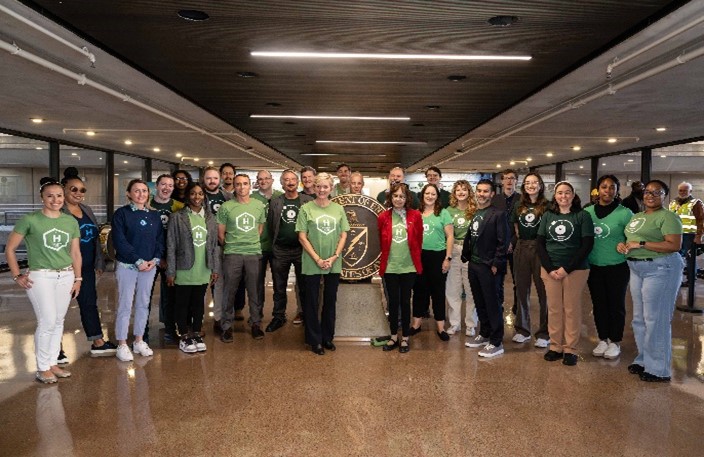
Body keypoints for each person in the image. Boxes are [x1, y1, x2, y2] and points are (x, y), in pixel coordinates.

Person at [5, 177, 81, 383]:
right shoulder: (30, 220)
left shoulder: (70, 221)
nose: (55, 200)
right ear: (42, 198)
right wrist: (16, 275)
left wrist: (78, 278)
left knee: (58, 321)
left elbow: (75, 253)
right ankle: (41, 367)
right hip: (41, 277)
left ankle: (51, 363)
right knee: (47, 320)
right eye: (50, 196)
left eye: (58, 196)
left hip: (65, 275)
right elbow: (10, 249)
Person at [617, 179, 683, 382]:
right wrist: (624, 245)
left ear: (665, 195)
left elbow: (674, 245)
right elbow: (631, 239)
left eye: (657, 192)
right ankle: (644, 358)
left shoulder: (669, 217)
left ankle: (659, 369)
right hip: (637, 268)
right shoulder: (638, 216)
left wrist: (642, 243)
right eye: (647, 192)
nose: (650, 196)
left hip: (661, 268)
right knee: (639, 319)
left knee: (656, 318)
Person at [61, 168, 117, 355]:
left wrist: (99, 262)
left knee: (89, 303)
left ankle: (97, 341)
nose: (78, 193)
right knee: (58, 309)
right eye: (73, 189)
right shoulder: (59, 213)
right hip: (64, 268)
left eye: (82, 190)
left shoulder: (87, 210)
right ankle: (56, 348)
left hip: (85, 268)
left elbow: (95, 238)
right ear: (64, 189)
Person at [538, 181, 594, 366]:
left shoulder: (582, 216)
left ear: (573, 195)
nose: (563, 196)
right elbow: (540, 243)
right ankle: (555, 346)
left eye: (567, 192)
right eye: (560, 193)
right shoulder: (547, 216)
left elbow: (586, 245)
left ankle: (570, 348)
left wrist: (565, 269)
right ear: (555, 196)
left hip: (575, 270)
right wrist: (549, 268)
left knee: (571, 308)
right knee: (553, 308)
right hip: (550, 270)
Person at [296, 172, 350, 355]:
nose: (321, 190)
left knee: (330, 301)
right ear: (314, 187)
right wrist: (317, 259)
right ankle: (314, 339)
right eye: (318, 186)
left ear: (331, 188)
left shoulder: (338, 209)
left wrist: (334, 256)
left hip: (333, 262)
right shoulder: (306, 209)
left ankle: (327, 337)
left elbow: (344, 234)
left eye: (325, 186)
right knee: (311, 301)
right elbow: (302, 236)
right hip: (312, 262)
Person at [111, 179, 164, 362]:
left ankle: (139, 340)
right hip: (128, 266)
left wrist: (154, 259)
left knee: (143, 303)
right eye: (136, 191)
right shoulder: (121, 214)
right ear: (128, 194)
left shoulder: (154, 215)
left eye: (144, 191)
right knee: (125, 305)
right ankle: (122, 343)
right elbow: (120, 241)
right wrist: (137, 260)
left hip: (149, 267)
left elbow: (159, 240)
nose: (141, 194)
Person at [166, 182, 220, 353]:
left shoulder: (210, 218)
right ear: (187, 196)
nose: (197, 197)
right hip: (184, 268)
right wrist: (171, 271)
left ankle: (196, 332)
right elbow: (171, 245)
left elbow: (213, 246)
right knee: (181, 303)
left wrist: (215, 269)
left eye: (200, 194)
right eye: (193, 194)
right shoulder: (177, 217)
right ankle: (183, 334)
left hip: (203, 268)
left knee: (198, 303)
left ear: (204, 196)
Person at [585, 175, 632, 360]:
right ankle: (602, 338)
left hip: (617, 266)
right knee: (598, 304)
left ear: (617, 190)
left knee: (616, 304)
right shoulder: (587, 212)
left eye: (612, 187)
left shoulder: (625, 213)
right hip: (594, 265)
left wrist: (626, 245)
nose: (608, 191)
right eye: (604, 187)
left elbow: (634, 236)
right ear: (598, 190)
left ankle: (615, 341)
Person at [217, 174, 267, 342]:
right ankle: (226, 326)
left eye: (245, 184)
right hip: (233, 253)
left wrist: (248, 243)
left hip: (253, 253)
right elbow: (221, 234)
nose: (241, 187)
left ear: (250, 186)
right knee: (229, 292)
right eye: (238, 184)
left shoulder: (259, 206)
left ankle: (255, 324)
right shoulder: (226, 207)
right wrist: (234, 245)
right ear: (235, 186)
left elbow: (259, 229)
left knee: (254, 291)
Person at [463, 179, 509, 358]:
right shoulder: (477, 212)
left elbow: (503, 241)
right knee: (479, 302)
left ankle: (496, 341)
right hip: (474, 264)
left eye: (485, 191)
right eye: (479, 191)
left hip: (489, 266)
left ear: (491, 194)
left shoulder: (498, 214)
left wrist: (497, 264)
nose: (481, 194)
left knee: (492, 303)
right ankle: (485, 333)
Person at [378, 182, 422, 353]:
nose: (398, 199)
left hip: (408, 267)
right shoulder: (383, 217)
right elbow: (381, 240)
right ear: (391, 198)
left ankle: (405, 338)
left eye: (402, 196)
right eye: (395, 196)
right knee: (393, 303)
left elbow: (419, 240)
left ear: (407, 198)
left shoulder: (415, 216)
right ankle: (393, 336)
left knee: (405, 302)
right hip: (390, 267)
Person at [266, 170, 313, 332]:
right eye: (286, 180)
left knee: (304, 286)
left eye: (293, 179)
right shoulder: (275, 202)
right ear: (282, 183)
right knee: (279, 287)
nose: (290, 182)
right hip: (280, 250)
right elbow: (271, 226)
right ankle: (278, 316)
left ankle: (307, 316)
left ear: (298, 182)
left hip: (302, 250)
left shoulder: (307, 201)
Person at [409, 183, 453, 341]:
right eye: (427, 193)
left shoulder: (443, 213)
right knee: (419, 291)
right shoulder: (415, 213)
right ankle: (416, 324)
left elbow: (450, 236)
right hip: (419, 256)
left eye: (433, 194)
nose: (430, 196)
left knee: (438, 292)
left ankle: (441, 327)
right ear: (422, 195)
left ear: (437, 197)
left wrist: (448, 257)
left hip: (438, 256)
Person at [511, 173, 550, 348]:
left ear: (540, 185)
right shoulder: (518, 205)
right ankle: (522, 330)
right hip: (522, 247)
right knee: (521, 290)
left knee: (544, 292)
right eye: (527, 183)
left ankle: (545, 332)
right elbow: (516, 228)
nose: (531, 185)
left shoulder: (548, 206)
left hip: (541, 248)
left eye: (534, 182)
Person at [147, 173, 183, 344]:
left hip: (171, 258)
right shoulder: (146, 205)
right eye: (163, 184)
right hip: (149, 258)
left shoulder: (179, 207)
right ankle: (143, 330)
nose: (166, 188)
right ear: (157, 186)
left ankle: (170, 328)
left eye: (170, 185)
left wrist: (169, 257)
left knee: (171, 295)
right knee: (145, 295)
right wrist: (156, 256)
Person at [444, 180, 477, 336]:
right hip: (454, 250)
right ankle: (455, 323)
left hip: (471, 250)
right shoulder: (448, 211)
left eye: (464, 189)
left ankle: (471, 323)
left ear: (469, 192)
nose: (461, 192)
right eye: (458, 190)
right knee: (453, 288)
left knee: (471, 288)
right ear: (454, 193)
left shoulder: (475, 210)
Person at [251, 170, 283, 323]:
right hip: (259, 247)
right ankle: (257, 315)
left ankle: (278, 315)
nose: (263, 181)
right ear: (257, 181)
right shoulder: (251, 198)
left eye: (266, 178)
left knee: (279, 283)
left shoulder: (281, 196)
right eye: (260, 179)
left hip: (278, 247)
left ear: (272, 180)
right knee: (257, 284)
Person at [491, 169, 519, 312]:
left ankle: (517, 305)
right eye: (506, 178)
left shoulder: (521, 199)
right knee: (498, 277)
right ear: (501, 181)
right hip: (499, 244)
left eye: (512, 178)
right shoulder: (495, 200)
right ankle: (499, 303)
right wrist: (503, 243)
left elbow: (522, 225)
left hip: (517, 244)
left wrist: (512, 242)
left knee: (517, 278)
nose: (509, 181)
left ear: (516, 181)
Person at [669, 181, 703, 287]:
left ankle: (691, 279)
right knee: (675, 257)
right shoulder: (673, 203)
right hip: (675, 235)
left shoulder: (696, 203)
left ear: (690, 191)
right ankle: (676, 279)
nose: (682, 192)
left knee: (690, 258)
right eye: (680, 190)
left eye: (685, 190)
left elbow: (701, 220)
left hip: (690, 235)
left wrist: (699, 236)